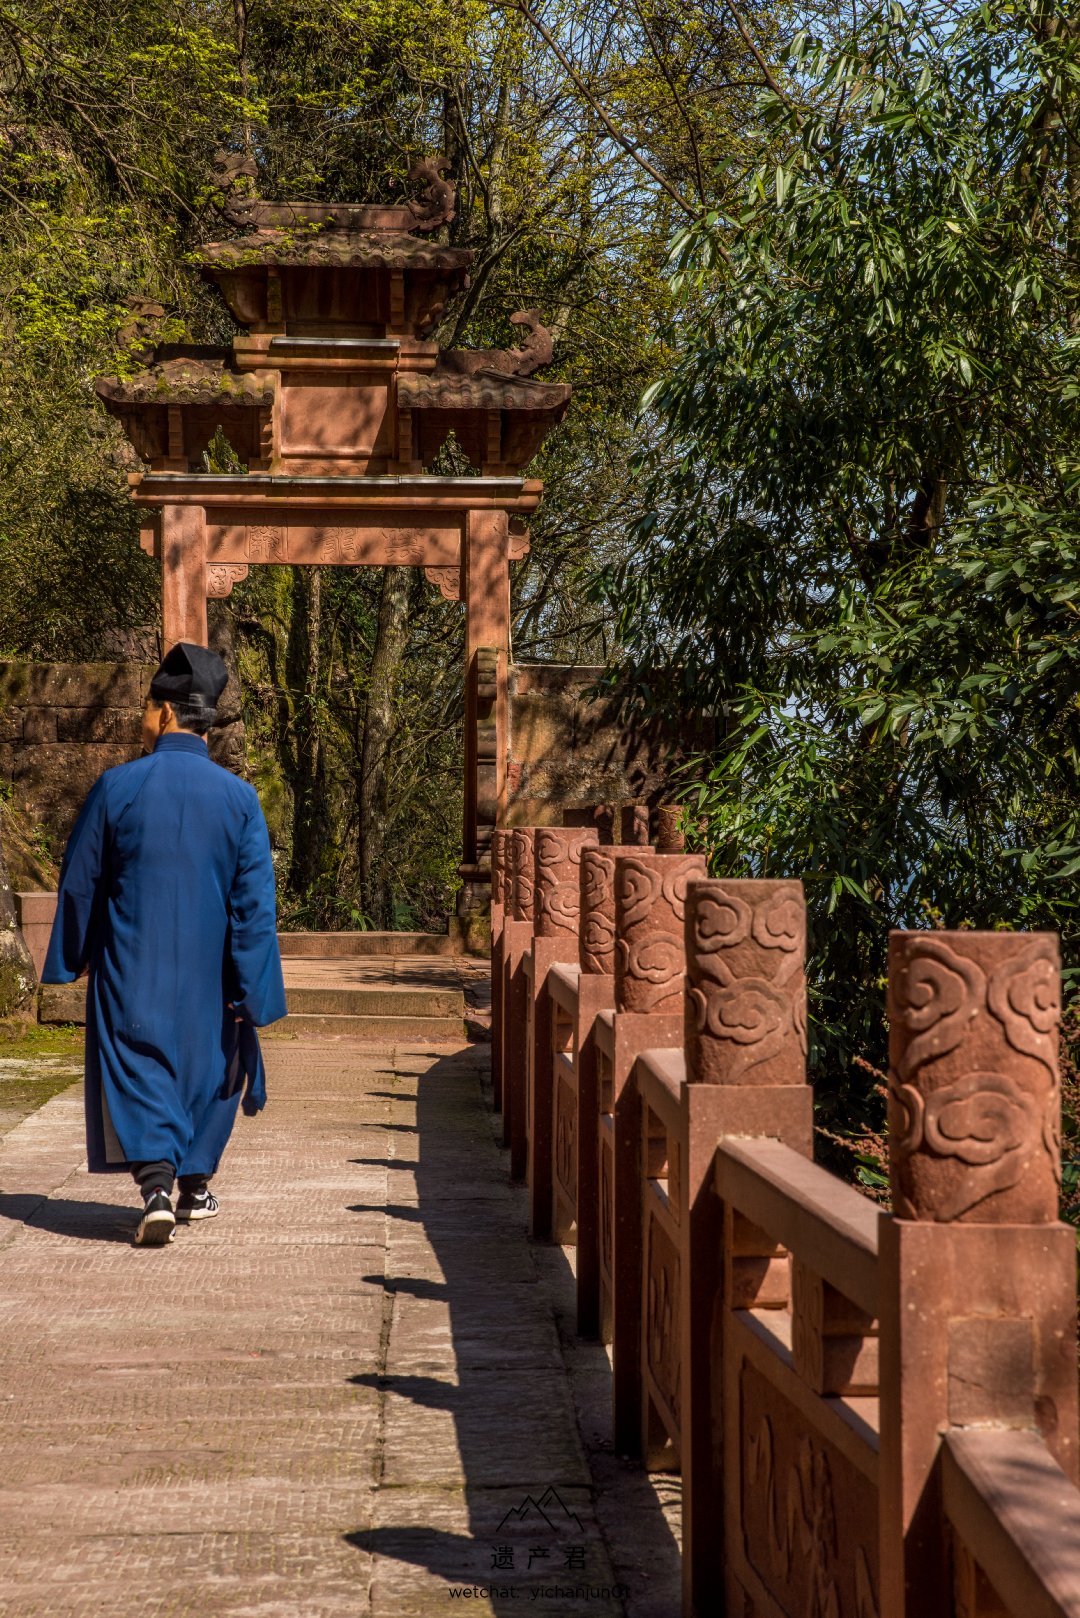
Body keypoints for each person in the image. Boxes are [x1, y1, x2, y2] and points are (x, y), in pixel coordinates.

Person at [41, 643, 286, 1248]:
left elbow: (81, 883)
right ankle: (195, 1186)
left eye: (148, 708)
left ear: (170, 712)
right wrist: (253, 990)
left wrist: (71, 957)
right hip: (211, 974)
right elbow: (253, 908)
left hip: (132, 964)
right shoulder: (240, 800)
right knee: (212, 1069)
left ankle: (156, 1186)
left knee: (139, 1061)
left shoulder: (117, 786)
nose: (141, 719)